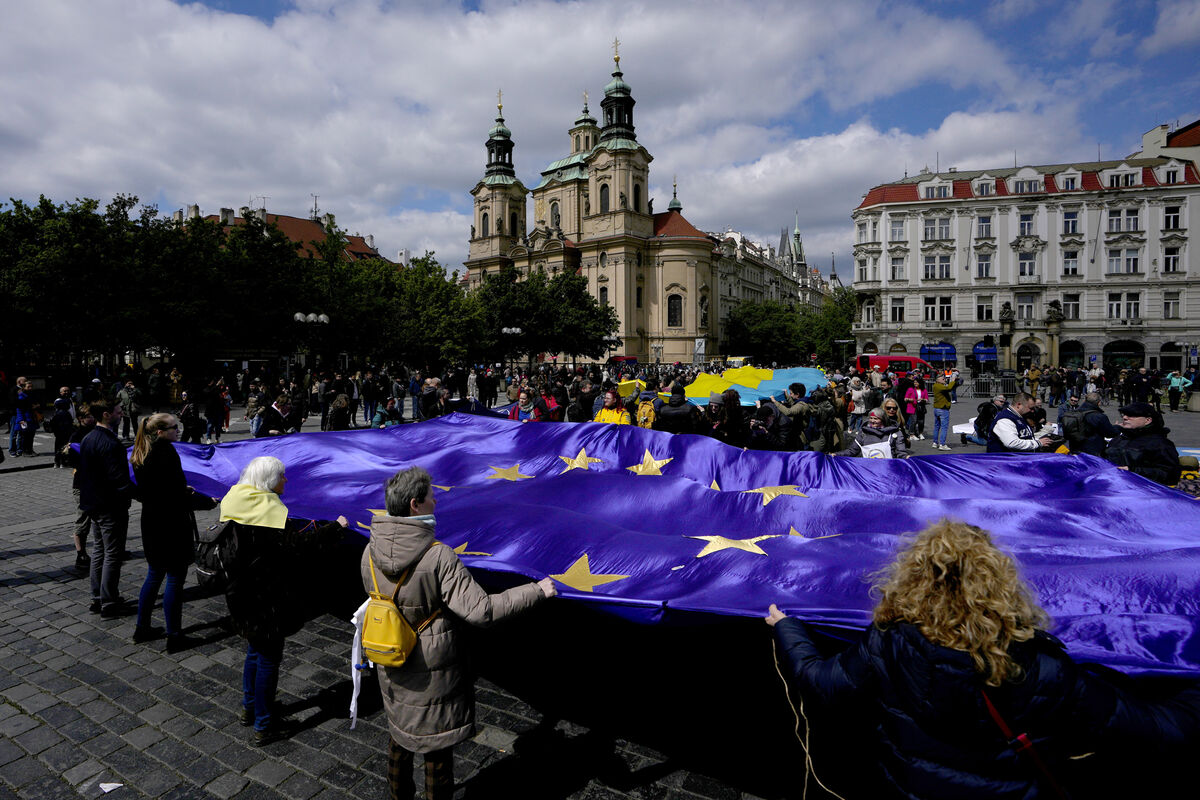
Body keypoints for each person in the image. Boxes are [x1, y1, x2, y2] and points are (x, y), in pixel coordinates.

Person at [766, 519, 1200, 799]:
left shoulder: (888, 642)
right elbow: (1163, 730)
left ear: (912, 578)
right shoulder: (1039, 668)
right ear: (999, 580)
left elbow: (819, 680)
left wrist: (787, 626)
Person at [363, 467, 555, 800]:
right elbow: (483, 610)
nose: (437, 500)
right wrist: (536, 591)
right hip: (431, 666)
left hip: (390, 657)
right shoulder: (438, 556)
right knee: (436, 751)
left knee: (400, 738)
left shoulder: (368, 551)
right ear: (415, 505)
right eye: (431, 496)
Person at [220, 456, 348, 744]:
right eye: (281, 476)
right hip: (266, 598)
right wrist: (336, 528)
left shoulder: (237, 499)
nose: (285, 481)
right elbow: (299, 547)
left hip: (240, 593)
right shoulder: (267, 511)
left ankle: (250, 707)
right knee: (268, 658)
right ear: (268, 481)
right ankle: (264, 724)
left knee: (254, 651)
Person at [130, 414, 217, 651]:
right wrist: (205, 500)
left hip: (151, 520)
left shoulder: (140, 453)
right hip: (171, 522)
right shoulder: (165, 451)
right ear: (160, 431)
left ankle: (142, 627)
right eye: (173, 427)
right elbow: (175, 493)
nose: (178, 430)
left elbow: (155, 489)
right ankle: (175, 635)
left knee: (154, 574)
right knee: (175, 578)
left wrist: (180, 490)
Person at [78, 401, 134, 617]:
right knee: (112, 553)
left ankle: (98, 597)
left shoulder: (89, 437)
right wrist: (132, 493)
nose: (122, 414)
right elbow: (118, 479)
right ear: (106, 415)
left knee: (100, 550)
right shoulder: (110, 443)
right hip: (110, 505)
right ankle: (109, 602)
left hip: (93, 503)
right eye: (119, 411)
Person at [1104, 402, 1182, 486]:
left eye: (1131, 415)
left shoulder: (1160, 444)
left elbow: (1170, 475)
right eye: (1124, 414)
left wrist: (1133, 471)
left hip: (1141, 491)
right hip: (1113, 487)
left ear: (1148, 420)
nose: (1125, 418)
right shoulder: (1120, 438)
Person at [987, 392, 1051, 453]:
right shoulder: (1005, 419)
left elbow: (1025, 437)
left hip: (1019, 459)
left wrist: (1039, 440)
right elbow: (1012, 443)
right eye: (1030, 408)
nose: (1032, 411)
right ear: (1019, 405)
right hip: (1005, 461)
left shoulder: (1020, 416)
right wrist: (1038, 443)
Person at [1059, 392, 1120, 457]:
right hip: (1093, 451)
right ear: (1098, 403)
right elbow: (1110, 433)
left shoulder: (1074, 412)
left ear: (1085, 400)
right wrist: (1118, 427)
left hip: (1074, 448)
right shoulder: (1099, 416)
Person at [835, 407, 909, 459]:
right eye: (871, 418)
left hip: (889, 470)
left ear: (883, 419)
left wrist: (907, 457)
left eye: (876, 419)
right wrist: (836, 454)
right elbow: (853, 451)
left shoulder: (894, 433)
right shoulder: (863, 433)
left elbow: (901, 452)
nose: (872, 421)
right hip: (869, 471)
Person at [929, 372, 958, 451]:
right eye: (943, 379)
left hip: (937, 409)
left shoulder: (936, 385)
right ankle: (942, 444)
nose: (945, 379)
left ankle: (935, 443)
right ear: (938, 380)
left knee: (937, 426)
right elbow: (949, 388)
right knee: (944, 427)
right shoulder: (939, 386)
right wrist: (952, 380)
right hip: (942, 409)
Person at [50, 386, 76, 468]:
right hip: (63, 429)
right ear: (60, 392)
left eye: (68, 391)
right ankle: (61, 462)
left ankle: (59, 462)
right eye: (64, 391)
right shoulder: (59, 402)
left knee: (62, 445)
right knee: (62, 445)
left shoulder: (68, 401)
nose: (66, 392)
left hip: (65, 427)